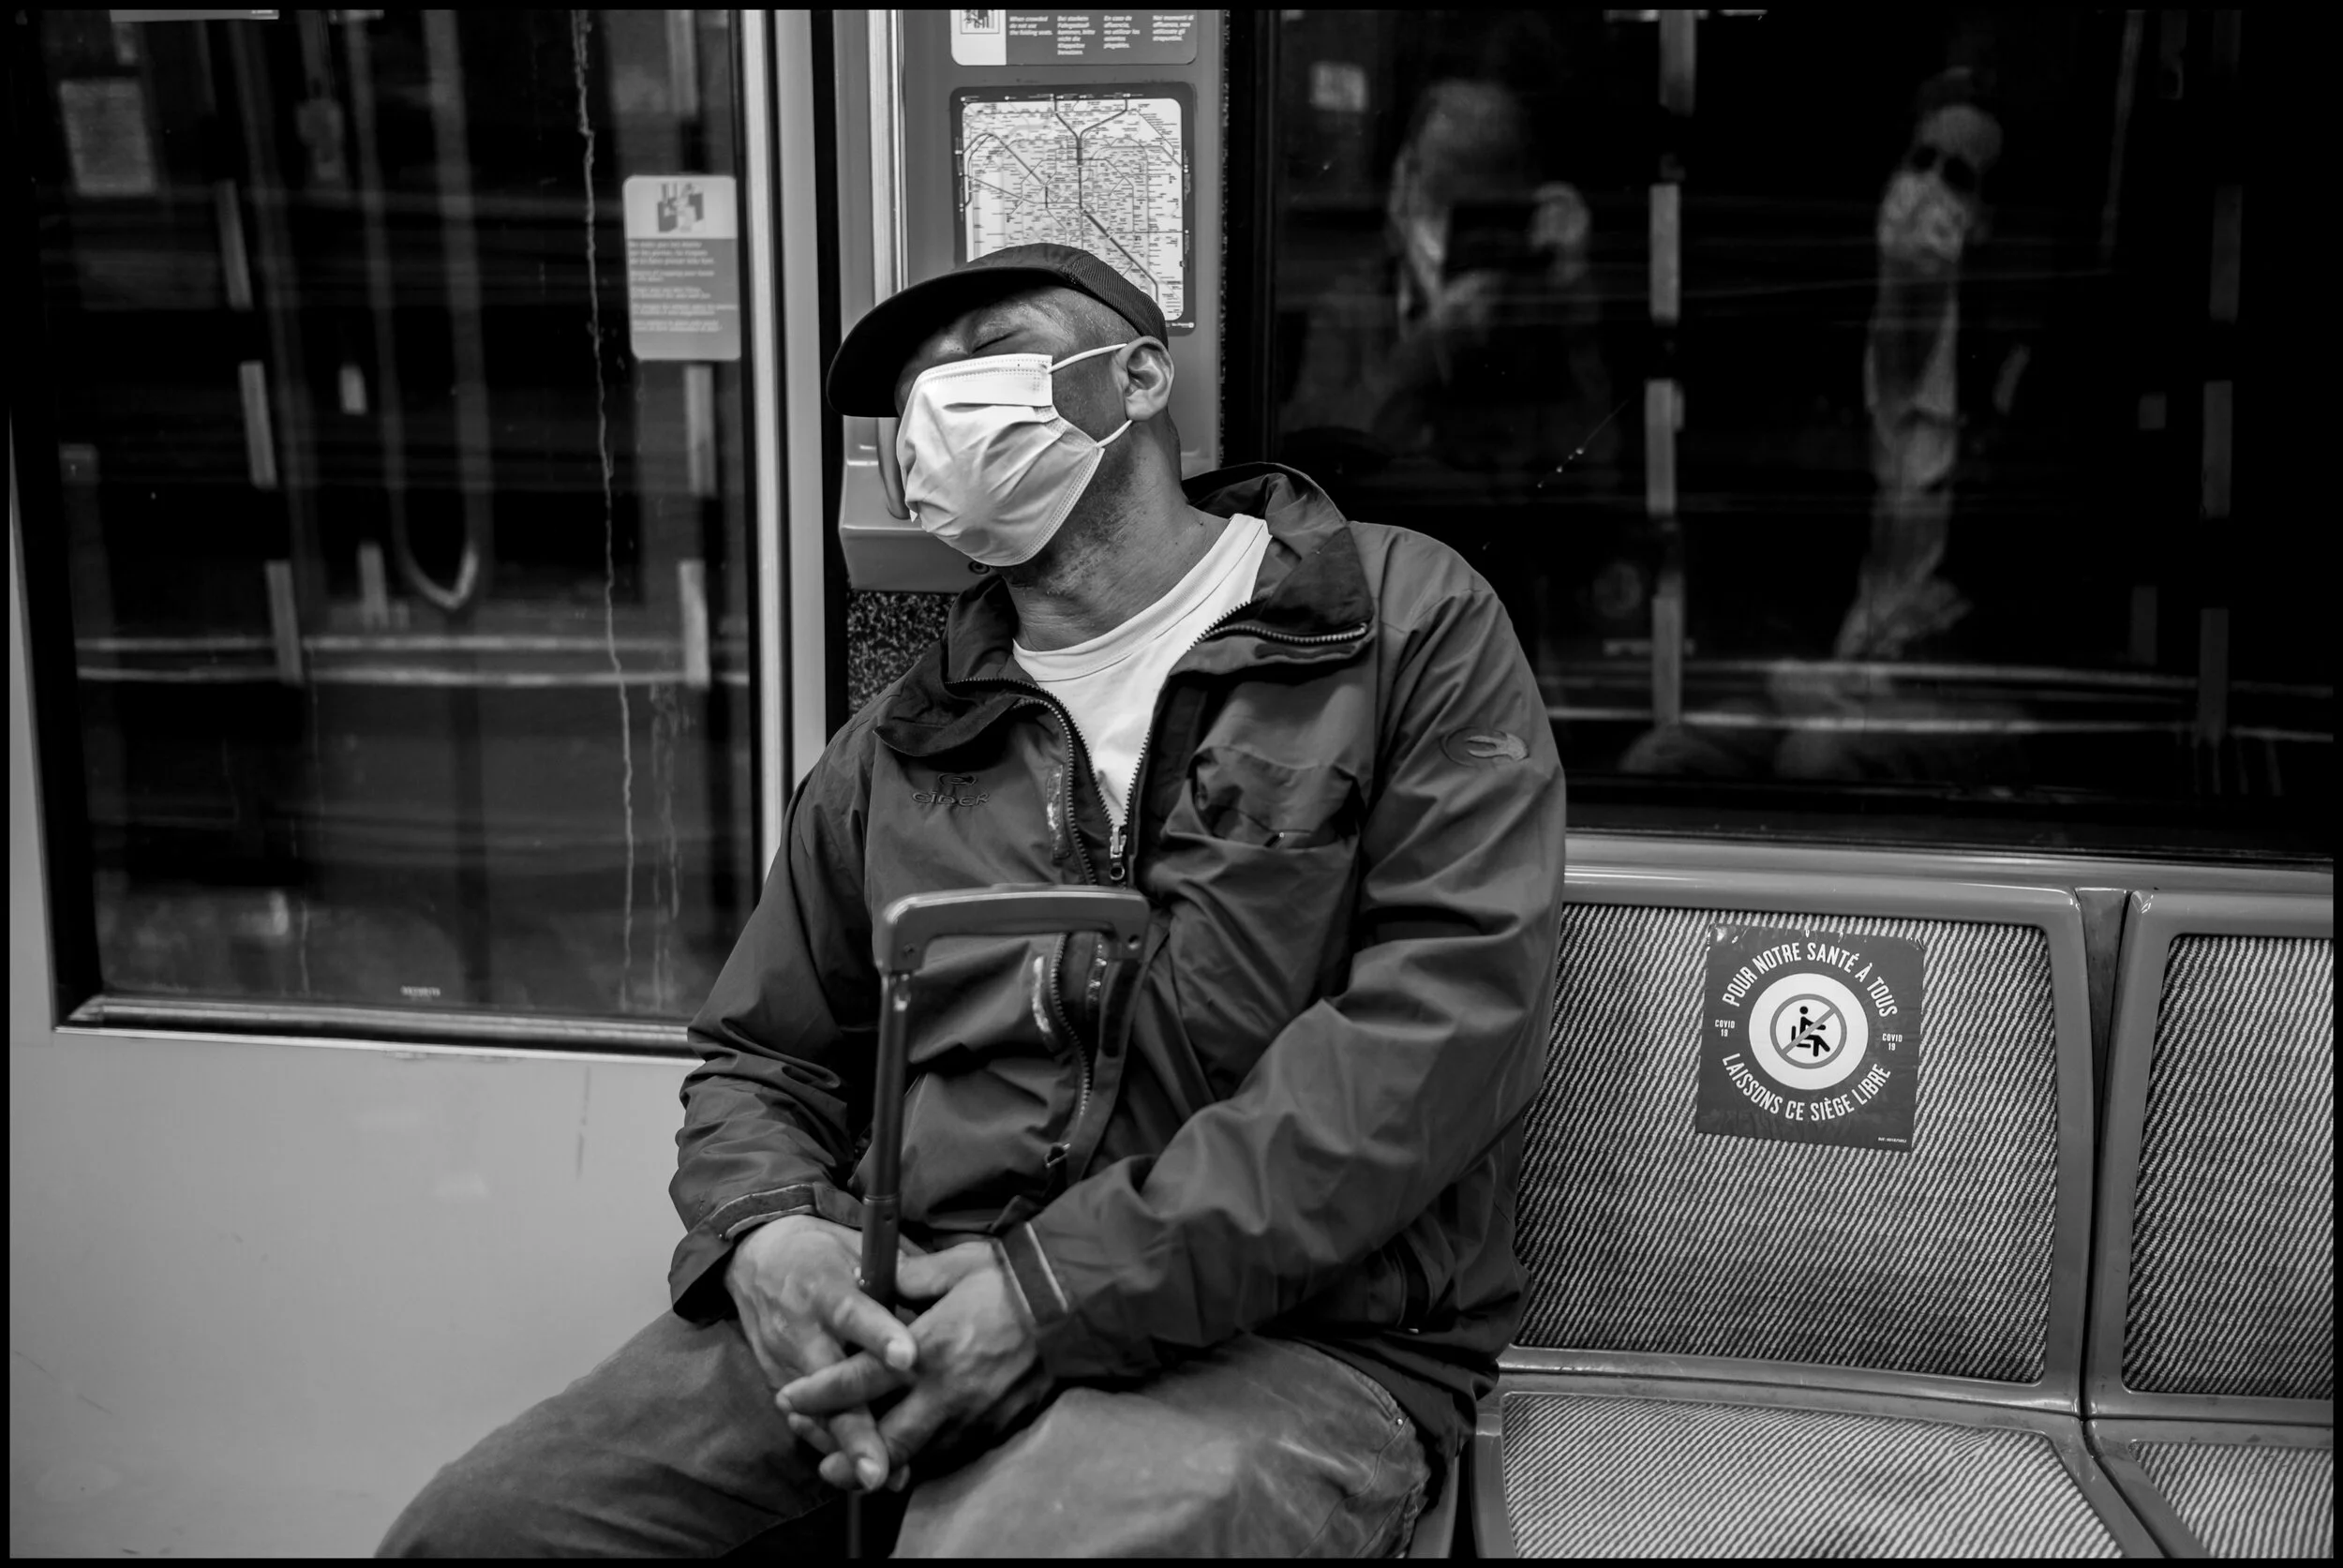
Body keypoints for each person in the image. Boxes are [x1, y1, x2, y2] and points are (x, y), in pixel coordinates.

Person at [379, 243, 1568, 1556]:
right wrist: (770, 1239)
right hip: (919, 1291)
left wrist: (1054, 1293)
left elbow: (1440, 1028)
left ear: (1136, 377)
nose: (943, 405)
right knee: (479, 1530)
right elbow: (762, 1060)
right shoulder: (896, 748)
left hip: (1290, 1333)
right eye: (914, 397)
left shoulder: (1398, 624)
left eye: (985, 351)